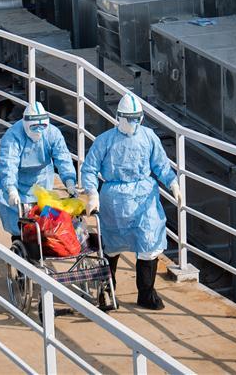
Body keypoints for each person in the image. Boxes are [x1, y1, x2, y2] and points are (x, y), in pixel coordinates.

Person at [81, 93, 181, 310]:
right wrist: (92, 193)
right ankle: (108, 291)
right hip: (114, 200)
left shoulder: (149, 137)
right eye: (129, 118)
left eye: (137, 118)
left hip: (144, 198)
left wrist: (173, 183)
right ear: (119, 117)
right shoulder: (105, 141)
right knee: (111, 246)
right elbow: (89, 168)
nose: (133, 123)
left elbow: (160, 164)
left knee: (149, 242)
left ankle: (146, 293)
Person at [0, 101, 77, 239]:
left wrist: (69, 182)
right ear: (26, 123)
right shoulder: (13, 136)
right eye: (34, 126)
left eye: (42, 126)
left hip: (41, 178)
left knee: (41, 215)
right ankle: (18, 245)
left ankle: (38, 246)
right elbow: (9, 163)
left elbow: (63, 157)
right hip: (16, 179)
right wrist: (11, 189)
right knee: (19, 220)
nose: (38, 130)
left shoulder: (53, 133)